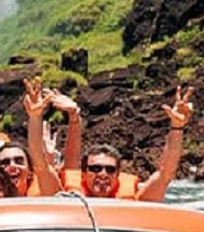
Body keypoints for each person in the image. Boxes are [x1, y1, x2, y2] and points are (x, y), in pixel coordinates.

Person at [61, 86, 195, 201]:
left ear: (117, 175)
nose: (103, 174)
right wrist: (73, 118)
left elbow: (165, 174)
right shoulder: (68, 197)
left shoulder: (136, 200)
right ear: (83, 174)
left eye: (110, 169)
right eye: (95, 168)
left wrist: (177, 127)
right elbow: (42, 168)